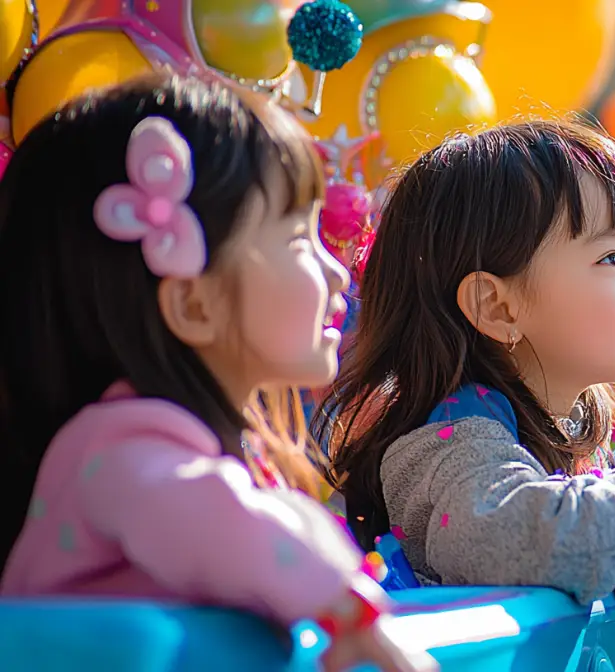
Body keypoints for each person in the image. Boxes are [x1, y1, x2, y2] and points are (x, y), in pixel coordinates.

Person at [0, 74, 430, 672]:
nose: (337, 272)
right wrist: (345, 603)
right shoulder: (116, 452)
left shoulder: (198, 454)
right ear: (195, 305)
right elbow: (213, 516)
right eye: (298, 238)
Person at [317, 122, 615, 612]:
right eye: (612, 259)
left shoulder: (572, 432)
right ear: (497, 307)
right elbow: (507, 534)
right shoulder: (450, 442)